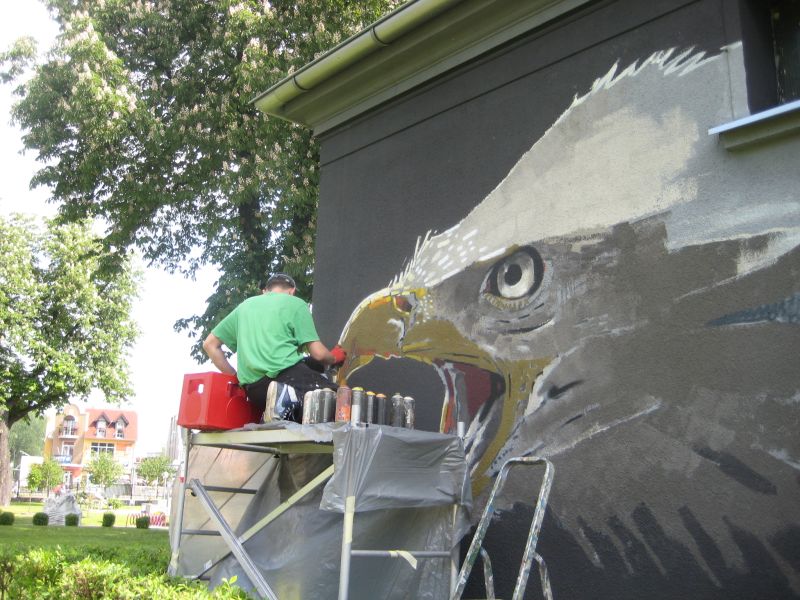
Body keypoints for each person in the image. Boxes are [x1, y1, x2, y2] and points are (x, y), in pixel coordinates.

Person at [202, 273, 346, 422]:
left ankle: (282, 404)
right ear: (292, 291)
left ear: (265, 291)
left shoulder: (244, 307)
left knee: (311, 364)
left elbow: (209, 345)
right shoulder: (295, 303)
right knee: (339, 398)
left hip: (254, 391)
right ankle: (284, 401)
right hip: (284, 378)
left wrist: (236, 378)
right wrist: (334, 357)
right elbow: (319, 354)